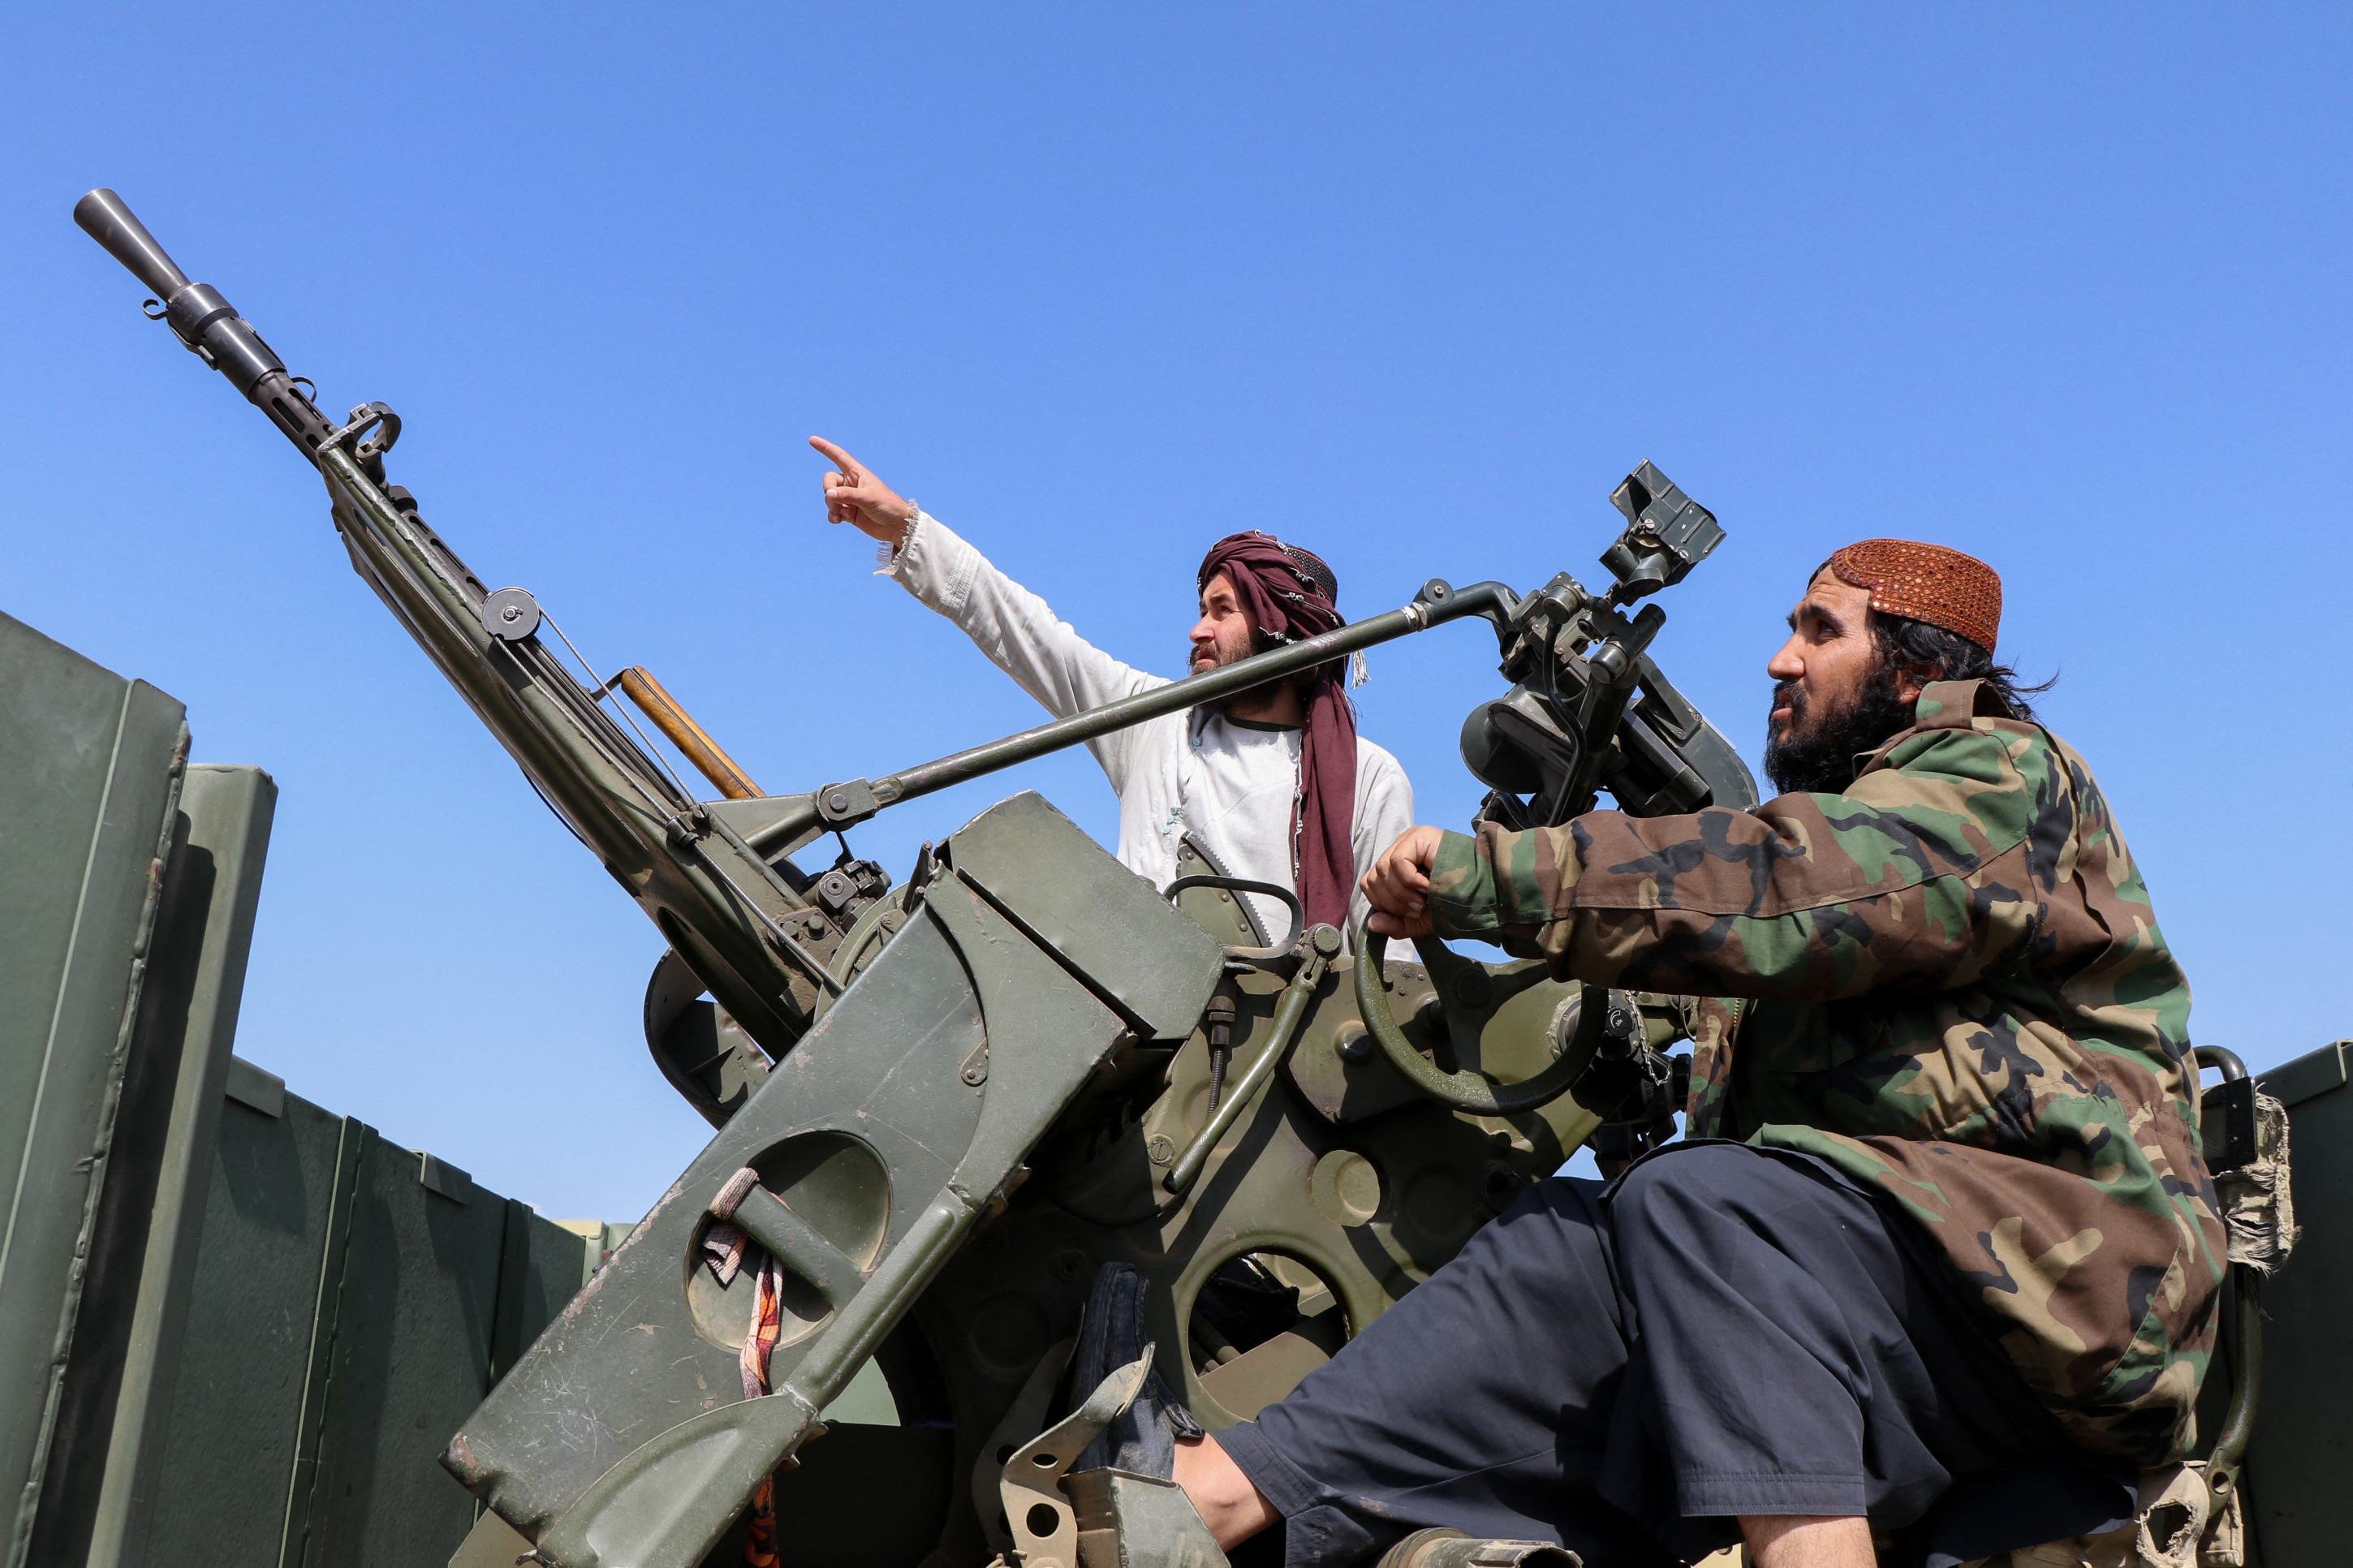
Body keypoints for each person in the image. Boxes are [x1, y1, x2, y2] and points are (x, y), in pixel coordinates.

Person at [1143, 539, 2226, 1568]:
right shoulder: (1845, 830)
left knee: (1700, 1203)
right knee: (1566, 1250)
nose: (1780, 658)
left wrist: (1501, 879)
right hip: (1894, 1297)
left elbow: (1798, 887)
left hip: (2067, 1309)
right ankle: (1225, 1495)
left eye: (1820, 630)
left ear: (1910, 668)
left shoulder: (1997, 776)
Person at [808, 436, 1413, 946]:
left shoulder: (1368, 776)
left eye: (1222, 611)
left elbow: (1391, 963)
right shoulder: (1159, 723)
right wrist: (908, 528)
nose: (1197, 630)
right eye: (1200, 609)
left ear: (1282, 629)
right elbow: (1031, 635)